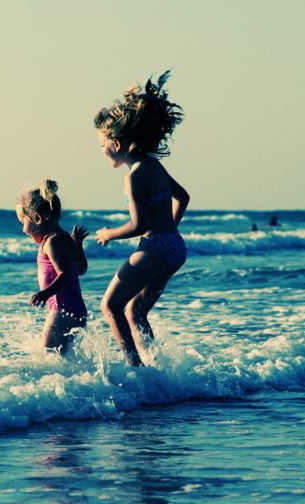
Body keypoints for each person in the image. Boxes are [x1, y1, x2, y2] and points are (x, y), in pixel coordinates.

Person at [92, 71, 190, 366]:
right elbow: (183, 197)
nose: (101, 151)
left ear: (116, 143)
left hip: (157, 246)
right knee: (135, 312)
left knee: (110, 305)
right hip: (174, 247)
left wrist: (108, 233)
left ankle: (135, 368)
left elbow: (139, 225)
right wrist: (169, 232)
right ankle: (156, 365)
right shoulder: (154, 165)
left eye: (102, 145)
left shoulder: (134, 176)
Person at [16, 180, 89, 353]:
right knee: (61, 357)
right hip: (76, 310)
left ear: (37, 218)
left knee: (48, 355)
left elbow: (65, 275)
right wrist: (78, 245)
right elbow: (80, 270)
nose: (23, 229)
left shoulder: (52, 242)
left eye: (22, 222)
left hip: (62, 310)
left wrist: (45, 293)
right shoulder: (64, 238)